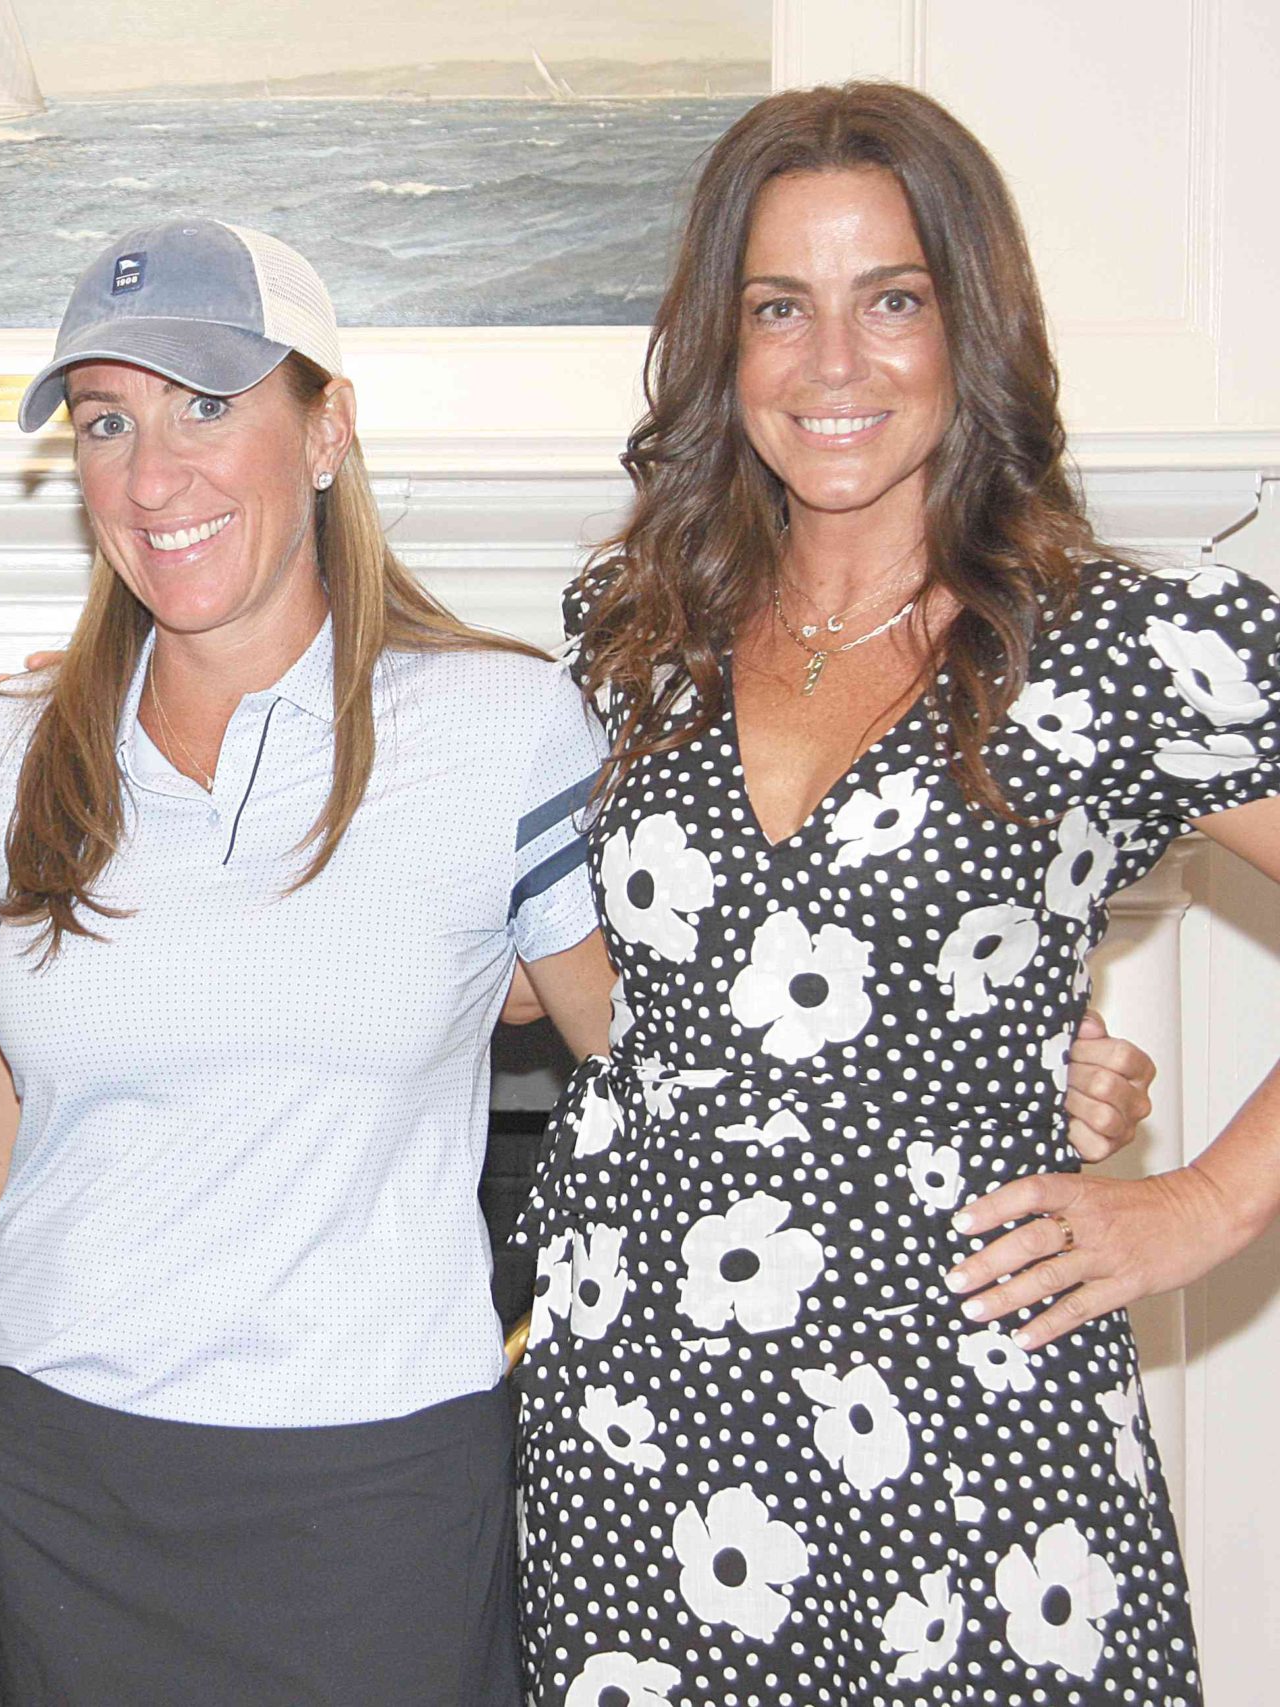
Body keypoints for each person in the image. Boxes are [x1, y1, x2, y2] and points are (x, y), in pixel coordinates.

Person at [513, 82, 1280, 1704]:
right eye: (778, 307)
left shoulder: (1121, 647)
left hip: (972, 1411)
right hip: (638, 1409)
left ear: (971, 326)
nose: (833, 364)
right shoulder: (635, 636)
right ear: (721, 344)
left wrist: (1208, 1205)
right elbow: (561, 957)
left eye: (893, 301)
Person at [0, 217, 618, 1705]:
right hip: (65, 1485)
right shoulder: (3, 755)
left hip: (375, 1498)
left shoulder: (503, 729)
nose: (152, 475)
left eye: (206, 406)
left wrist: (991, 1073)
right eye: (106, 422)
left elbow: (667, 1068)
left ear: (326, 430)